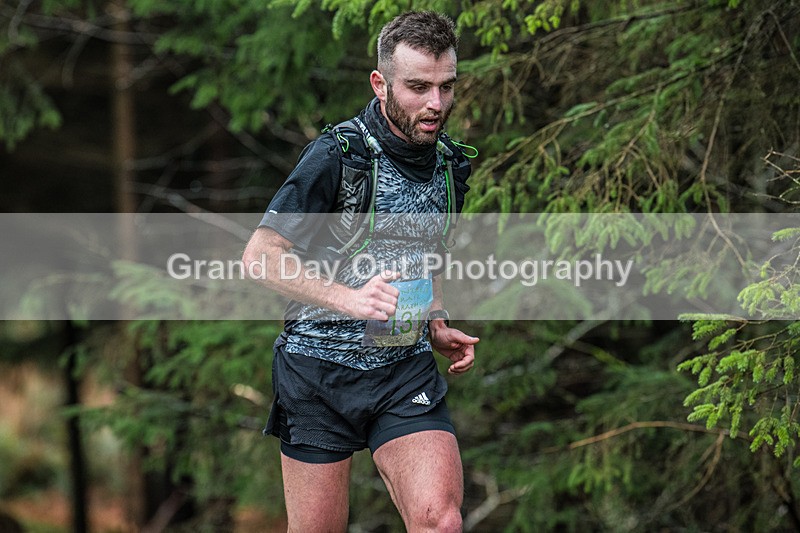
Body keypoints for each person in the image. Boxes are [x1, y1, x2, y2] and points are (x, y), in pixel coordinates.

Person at [242, 11, 479, 532]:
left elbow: (430, 250)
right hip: (317, 374)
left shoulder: (450, 165)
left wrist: (436, 319)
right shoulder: (336, 156)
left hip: (403, 369)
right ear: (380, 83)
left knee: (441, 521)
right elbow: (260, 256)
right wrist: (350, 300)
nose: (435, 104)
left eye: (446, 87)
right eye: (418, 87)